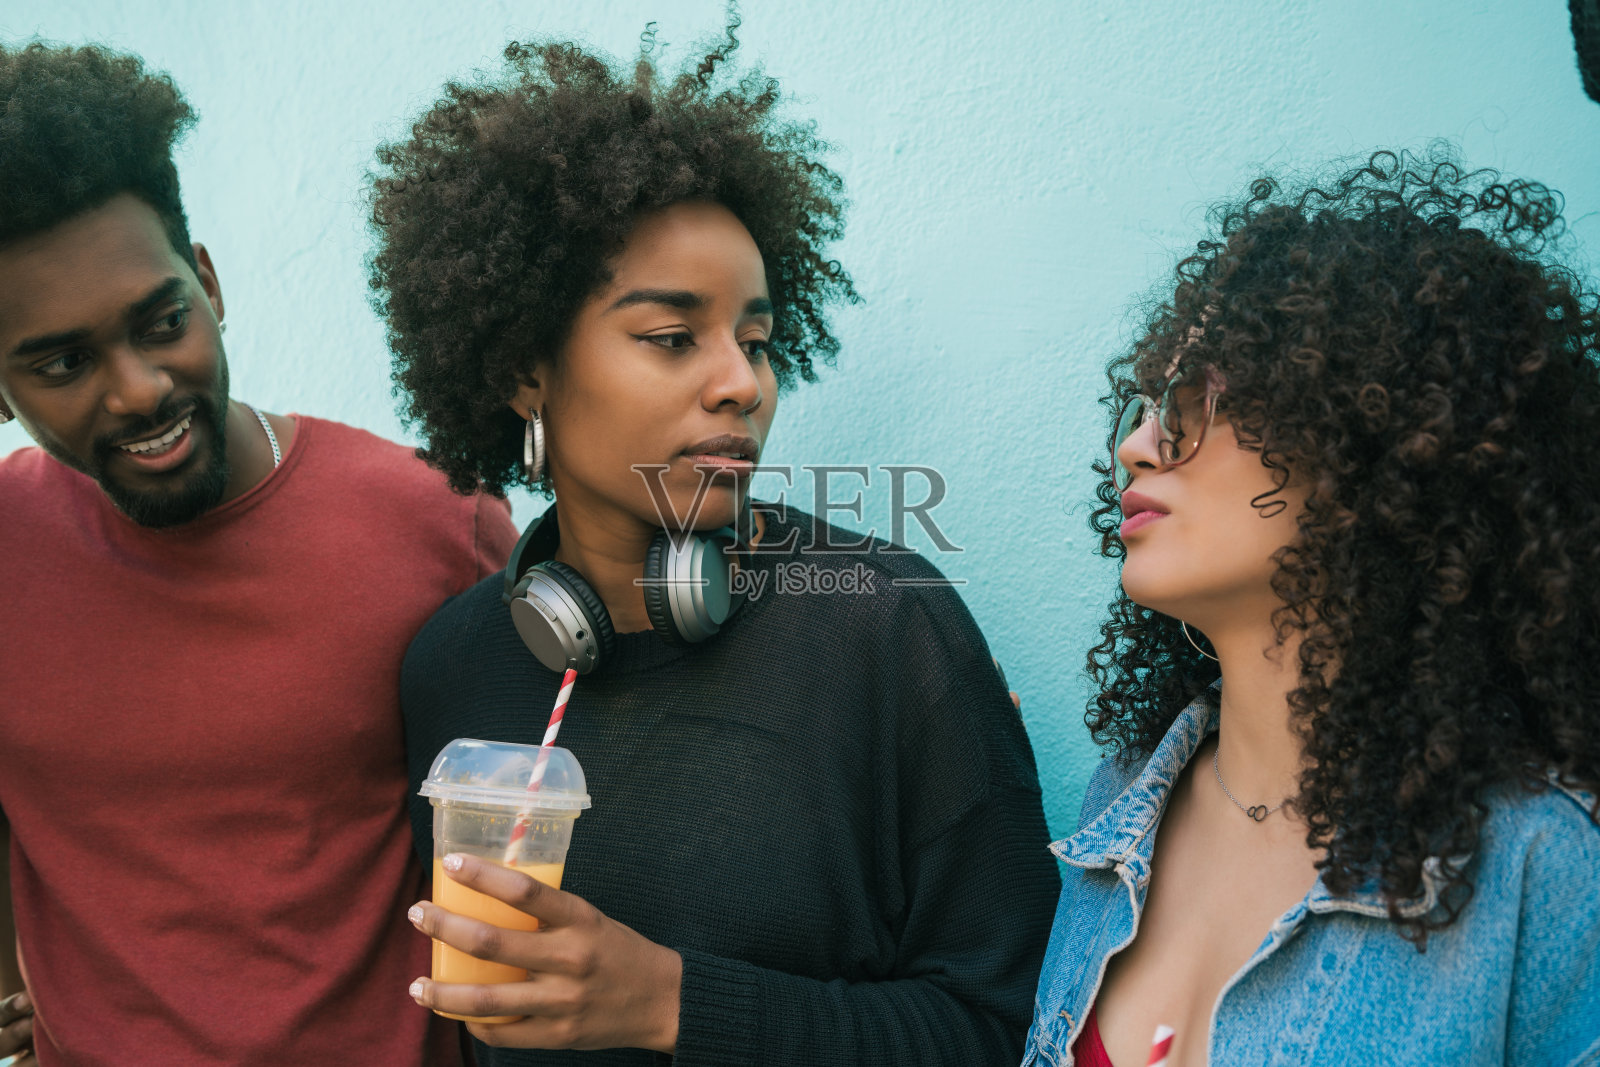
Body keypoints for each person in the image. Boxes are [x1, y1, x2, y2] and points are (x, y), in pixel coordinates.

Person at [369, 21, 1062, 1066]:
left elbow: (1007, 1025)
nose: (743, 381)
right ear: (524, 369)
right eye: (670, 336)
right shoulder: (452, 667)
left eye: (757, 339)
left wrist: (671, 1003)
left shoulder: (883, 627)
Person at [0, 42, 519, 1064]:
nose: (141, 386)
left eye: (162, 321)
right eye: (63, 361)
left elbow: (532, 822)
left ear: (209, 281)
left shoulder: (436, 519)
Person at [1023, 151, 1600, 1067]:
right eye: (1144, 407)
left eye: (1192, 403)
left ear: (1371, 439)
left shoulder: (1543, 863)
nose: (1136, 445)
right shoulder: (1124, 799)